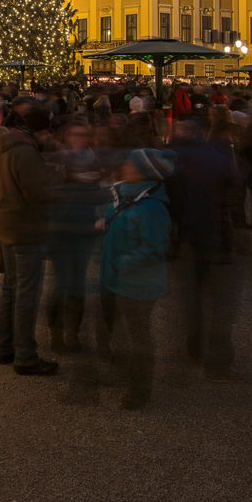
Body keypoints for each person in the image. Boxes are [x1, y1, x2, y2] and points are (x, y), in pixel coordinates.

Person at [99, 148, 174, 410]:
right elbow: (113, 215)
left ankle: (139, 390)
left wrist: (124, 262)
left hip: (138, 283)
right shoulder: (126, 194)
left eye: (130, 164)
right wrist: (104, 221)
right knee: (121, 330)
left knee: (138, 336)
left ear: (144, 172)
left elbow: (154, 248)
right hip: (117, 278)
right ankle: (123, 374)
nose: (124, 167)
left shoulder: (152, 208)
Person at [0, 109, 58, 375]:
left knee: (11, 288)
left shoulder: (5, 147)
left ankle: (5, 346)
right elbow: (37, 192)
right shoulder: (26, 152)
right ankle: (26, 355)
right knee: (26, 293)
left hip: (5, 223)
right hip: (24, 228)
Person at [167, 116, 238, 378]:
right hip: (209, 227)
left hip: (189, 228)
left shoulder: (175, 154)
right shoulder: (213, 153)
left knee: (196, 293)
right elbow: (232, 181)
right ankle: (211, 350)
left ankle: (197, 344)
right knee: (211, 294)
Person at [45, 121, 105, 352]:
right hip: (61, 231)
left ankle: (73, 333)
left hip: (84, 230)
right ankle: (56, 332)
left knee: (77, 285)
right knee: (61, 284)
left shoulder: (94, 160)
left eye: (83, 135)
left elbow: (100, 195)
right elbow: (48, 196)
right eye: (75, 135)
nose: (79, 139)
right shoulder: (59, 161)